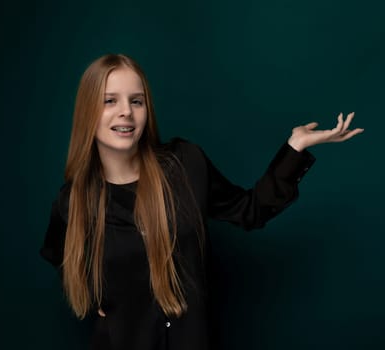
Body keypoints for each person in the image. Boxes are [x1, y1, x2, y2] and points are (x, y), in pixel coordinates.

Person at [40, 54, 363, 350]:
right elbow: (59, 254)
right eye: (110, 100)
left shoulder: (185, 164)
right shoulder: (73, 201)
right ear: (87, 112)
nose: (126, 110)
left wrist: (295, 148)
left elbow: (251, 211)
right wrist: (96, 293)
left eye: (137, 101)